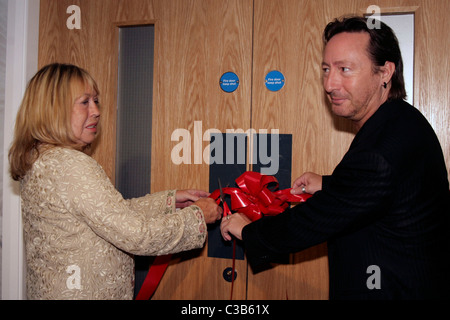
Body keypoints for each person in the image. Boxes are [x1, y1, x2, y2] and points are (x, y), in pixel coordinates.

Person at [221, 16, 450, 299]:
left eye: (345, 69)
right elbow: (380, 193)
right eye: (327, 69)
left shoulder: (380, 150)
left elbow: (315, 221)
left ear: (385, 73)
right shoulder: (401, 121)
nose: (330, 83)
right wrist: (329, 184)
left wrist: (250, 231)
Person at [8, 63, 222, 300]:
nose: (96, 110)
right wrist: (197, 217)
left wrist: (169, 202)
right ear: (54, 109)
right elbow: (137, 236)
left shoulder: (41, 159)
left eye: (96, 101)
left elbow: (104, 218)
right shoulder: (71, 164)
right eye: (85, 102)